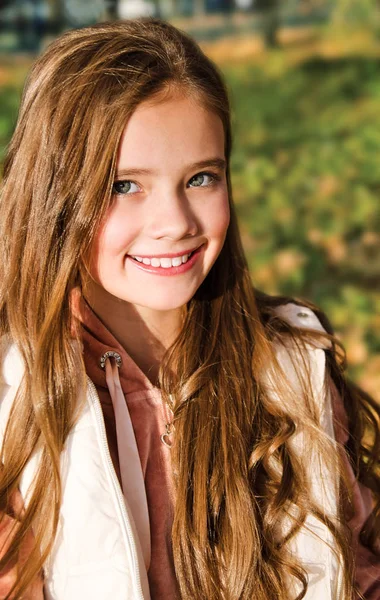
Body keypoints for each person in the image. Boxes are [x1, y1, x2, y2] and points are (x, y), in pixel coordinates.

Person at [0, 19, 379, 600]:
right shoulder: (15, 404)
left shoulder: (292, 373)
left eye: (201, 177)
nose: (176, 222)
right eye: (124, 185)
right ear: (53, 197)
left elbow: (359, 572)